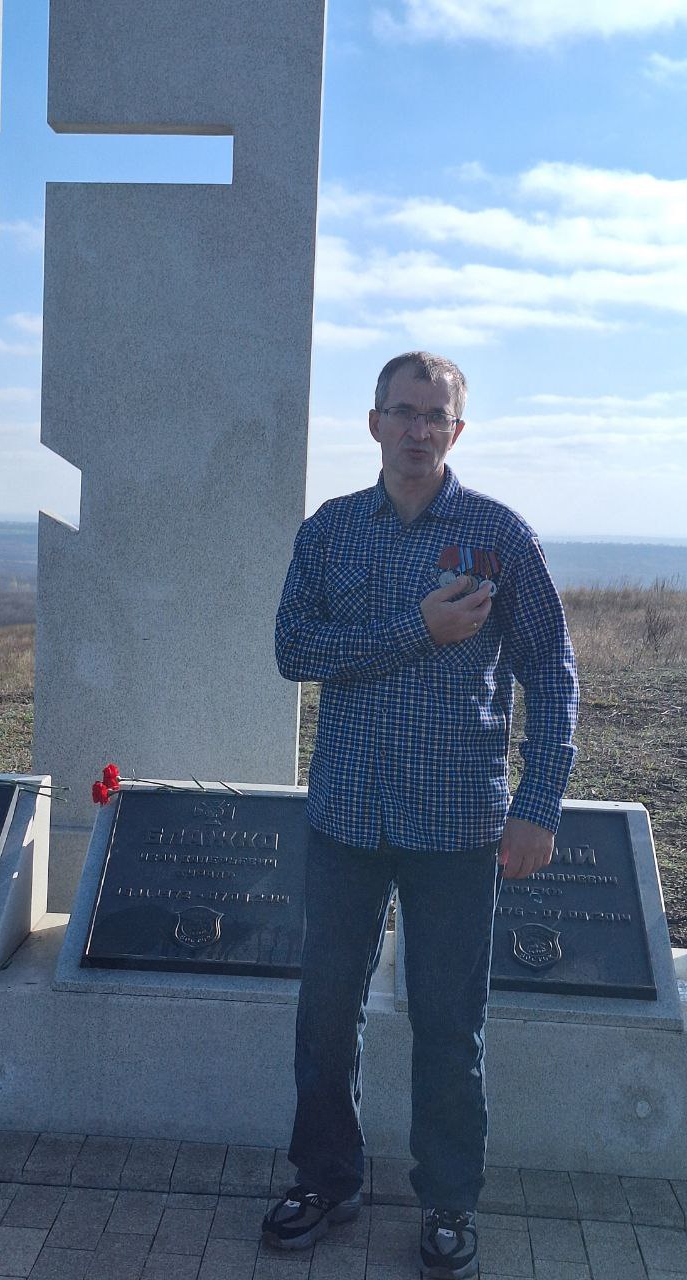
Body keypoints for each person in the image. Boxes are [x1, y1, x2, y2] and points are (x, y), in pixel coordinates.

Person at [263, 352, 579, 1279]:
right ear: (373, 424)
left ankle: (448, 1202)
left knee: (449, 1021)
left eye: (432, 415)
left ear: (456, 431)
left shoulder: (498, 537)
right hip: (347, 819)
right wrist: (418, 628)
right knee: (326, 1013)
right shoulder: (329, 534)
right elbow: (293, 649)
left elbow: (552, 680)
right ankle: (326, 1179)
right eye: (400, 412)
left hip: (459, 827)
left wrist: (538, 805)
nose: (415, 428)